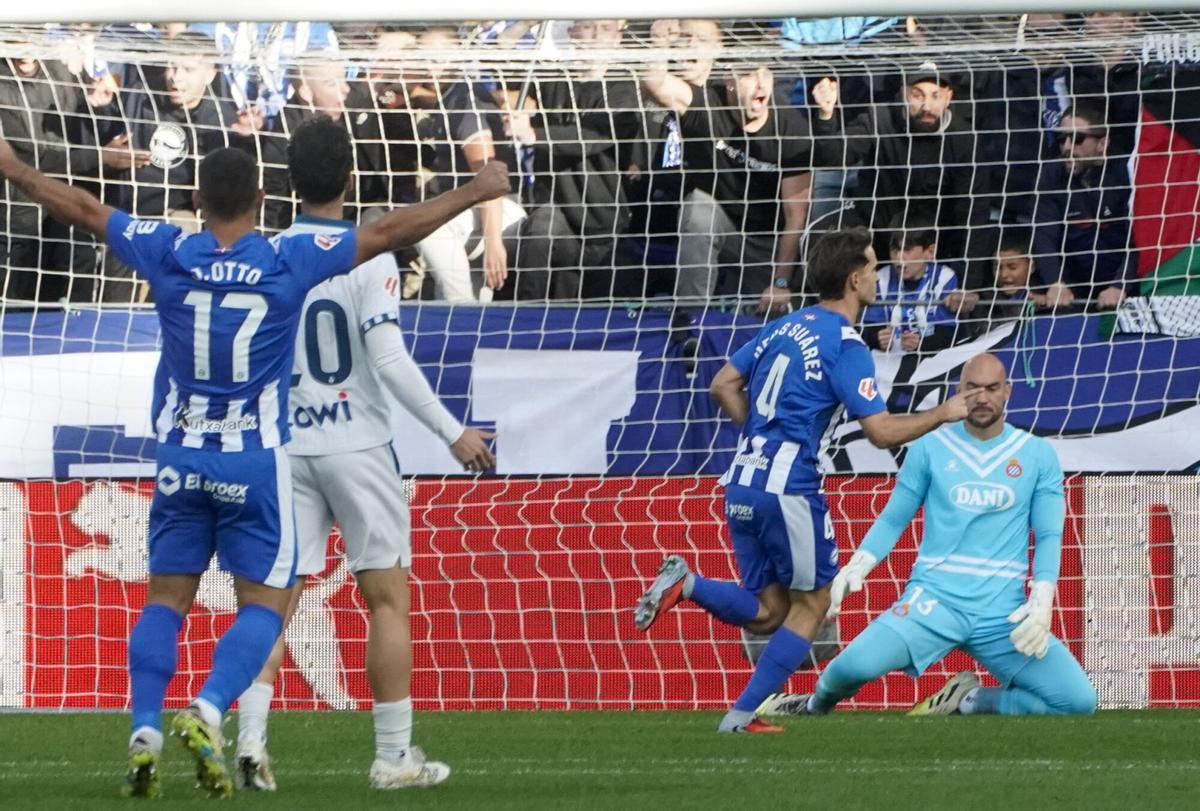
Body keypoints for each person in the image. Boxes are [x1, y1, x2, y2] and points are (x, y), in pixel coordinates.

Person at [0, 127, 508, 797]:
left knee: (166, 601)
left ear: (193, 197)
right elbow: (388, 233)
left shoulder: (170, 248)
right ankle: (212, 709)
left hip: (183, 457)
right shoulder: (289, 256)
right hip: (260, 458)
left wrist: (13, 165)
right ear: (262, 197)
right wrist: (474, 191)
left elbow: (87, 210)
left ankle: (156, 729)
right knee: (270, 604)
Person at [232, 117, 495, 792]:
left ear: (286, 182)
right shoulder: (366, 253)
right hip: (358, 444)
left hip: (287, 446)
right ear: (350, 179)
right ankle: (392, 756)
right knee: (385, 600)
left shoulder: (266, 257)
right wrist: (451, 430)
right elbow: (387, 357)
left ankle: (253, 742)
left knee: (271, 602)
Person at [633, 227, 981, 733]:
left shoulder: (785, 326)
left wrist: (760, 432)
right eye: (872, 265)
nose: (878, 275)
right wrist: (944, 412)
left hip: (743, 479)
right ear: (854, 278)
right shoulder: (846, 343)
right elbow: (881, 432)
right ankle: (740, 715)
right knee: (814, 604)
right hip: (787, 484)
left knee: (769, 611)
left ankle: (688, 584)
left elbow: (722, 383)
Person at [756, 354, 1097, 719]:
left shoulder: (1037, 454)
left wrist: (1043, 595)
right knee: (850, 670)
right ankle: (811, 706)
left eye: (992, 388)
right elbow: (893, 519)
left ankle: (970, 701)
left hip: (1002, 615)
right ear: (958, 391)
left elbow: (1048, 533)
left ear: (1008, 392)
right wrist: (857, 567)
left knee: (1078, 702)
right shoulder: (929, 448)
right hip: (932, 604)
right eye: (973, 388)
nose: (982, 397)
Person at [641, 60, 818, 317]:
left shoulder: (792, 128)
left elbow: (796, 217)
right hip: (724, 227)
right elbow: (654, 81)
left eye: (766, 75)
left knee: (762, 318)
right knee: (699, 208)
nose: (760, 83)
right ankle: (690, 319)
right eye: (748, 75)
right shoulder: (709, 105)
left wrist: (780, 283)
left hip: (767, 242)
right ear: (729, 81)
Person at [811, 60, 994, 292]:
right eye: (918, 95)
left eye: (935, 96)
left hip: (938, 252)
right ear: (903, 94)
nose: (927, 105)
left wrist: (968, 285)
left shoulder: (964, 138)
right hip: (877, 246)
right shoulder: (879, 119)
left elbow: (973, 214)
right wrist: (826, 115)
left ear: (948, 97)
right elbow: (833, 157)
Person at [1032, 101, 1137, 311]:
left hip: (1128, 287)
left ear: (1102, 143)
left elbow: (1140, 240)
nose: (1068, 147)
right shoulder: (1051, 175)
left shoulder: (1127, 172)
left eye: (1078, 139)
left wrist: (1120, 285)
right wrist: (1055, 282)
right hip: (1073, 289)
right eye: (1062, 139)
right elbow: (1044, 235)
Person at [861, 215, 961, 354]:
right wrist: (877, 338)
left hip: (931, 361)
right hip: (889, 363)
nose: (899, 257)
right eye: (894, 249)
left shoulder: (944, 277)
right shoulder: (881, 278)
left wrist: (921, 343)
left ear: (930, 252)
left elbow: (948, 332)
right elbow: (869, 328)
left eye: (907, 250)